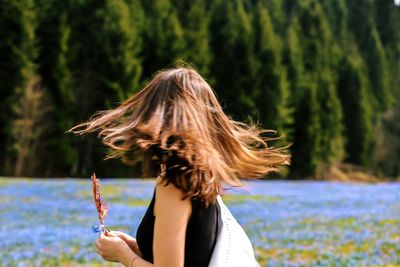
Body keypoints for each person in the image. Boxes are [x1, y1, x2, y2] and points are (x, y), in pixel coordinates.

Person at [68, 67, 289, 267]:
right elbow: (193, 253)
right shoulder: (203, 178)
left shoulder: (174, 184)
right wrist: (136, 248)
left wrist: (125, 256)